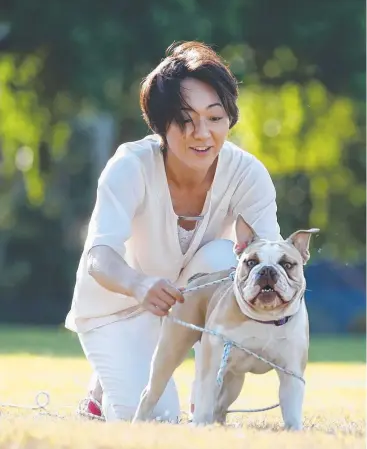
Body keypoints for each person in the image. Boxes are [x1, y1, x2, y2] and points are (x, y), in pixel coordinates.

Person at [65, 41, 281, 422]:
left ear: (229, 118)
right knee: (156, 422)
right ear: (161, 124)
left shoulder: (248, 174)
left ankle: (205, 388)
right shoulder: (130, 166)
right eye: (186, 119)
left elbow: (271, 256)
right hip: (114, 308)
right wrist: (137, 284)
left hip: (181, 301)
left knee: (225, 258)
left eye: (215, 118)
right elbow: (98, 256)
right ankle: (102, 387)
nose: (202, 134)